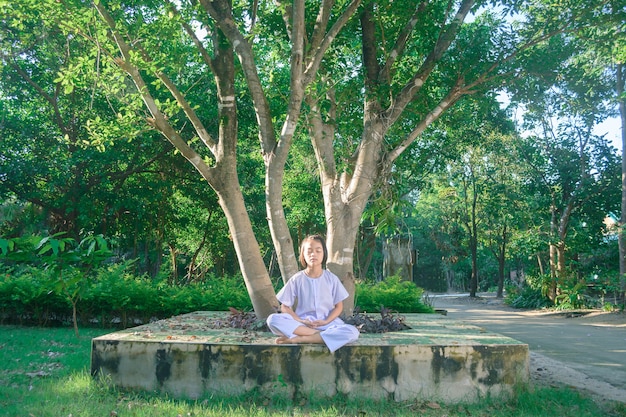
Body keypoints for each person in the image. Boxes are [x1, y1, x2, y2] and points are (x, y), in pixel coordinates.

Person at [266, 234, 360, 353]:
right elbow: (284, 306)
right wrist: (301, 321)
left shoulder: (331, 279)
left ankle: (299, 340)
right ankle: (322, 336)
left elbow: (339, 306)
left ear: (323, 254)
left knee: (353, 332)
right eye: (309, 251)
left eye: (318, 251)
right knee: (272, 320)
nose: (313, 254)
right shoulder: (297, 279)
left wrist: (326, 321)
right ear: (303, 254)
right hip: (302, 325)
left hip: (328, 324)